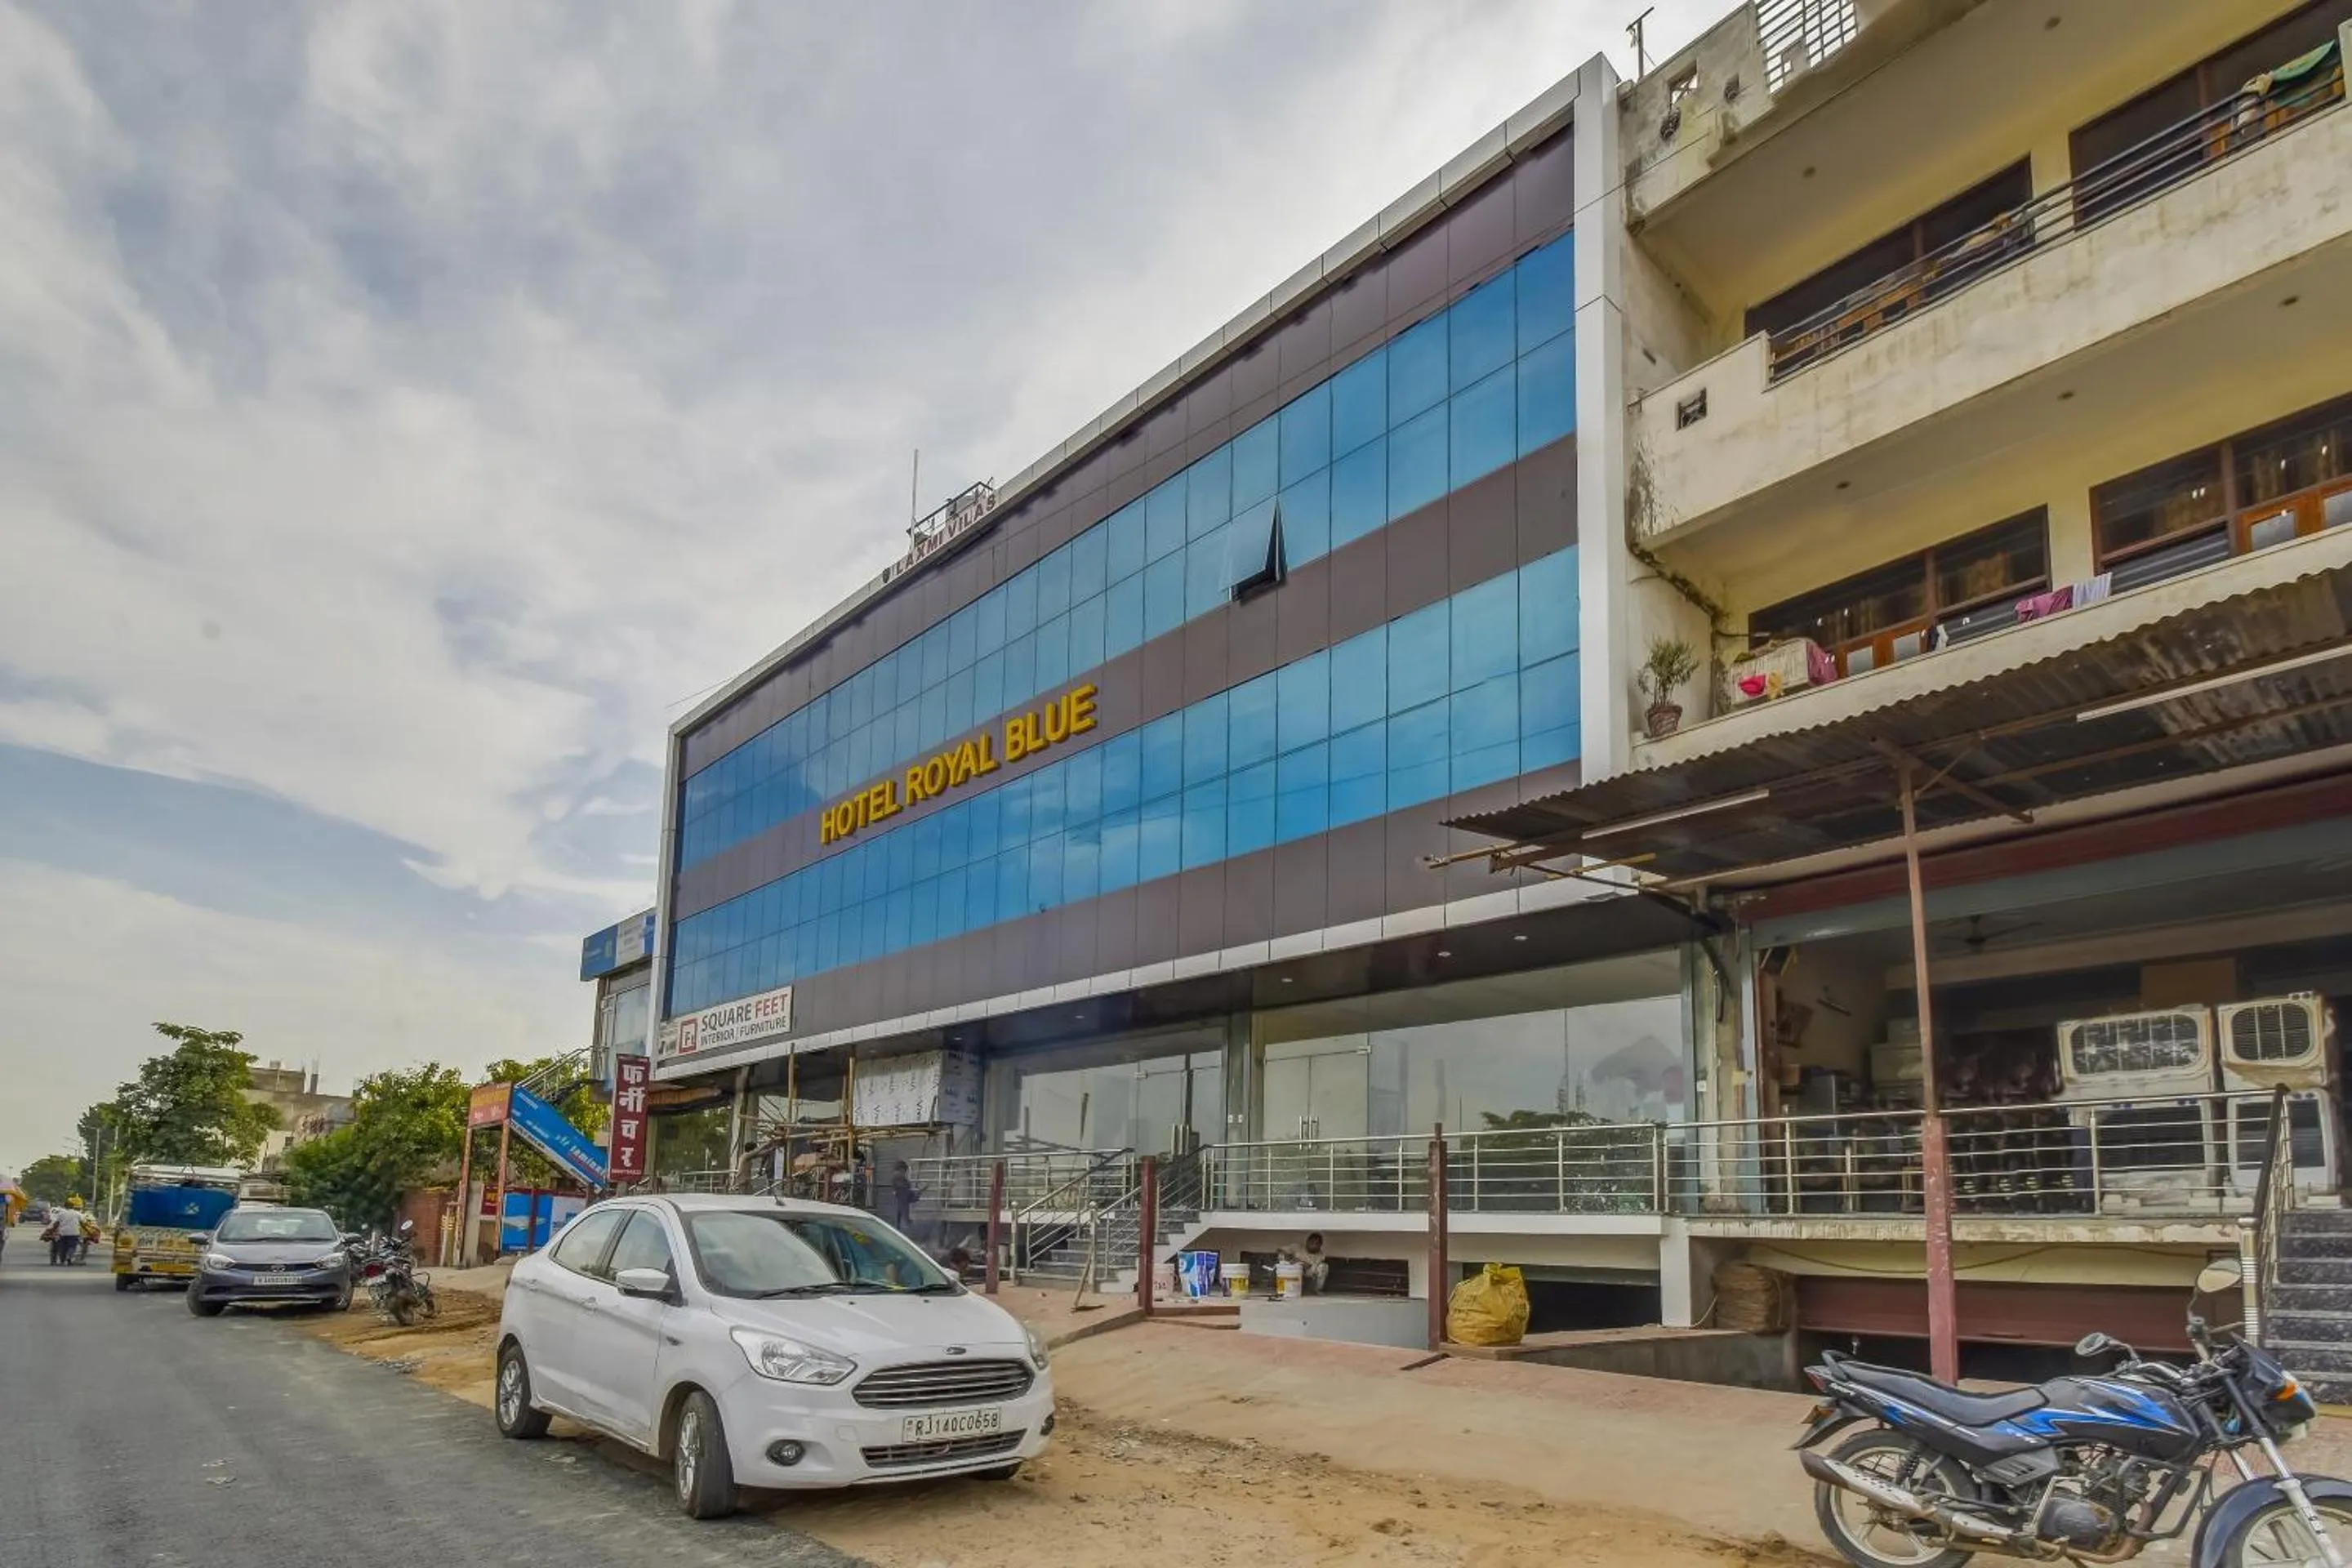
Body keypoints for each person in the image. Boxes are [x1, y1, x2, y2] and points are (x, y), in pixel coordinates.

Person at [888, 1160, 920, 1231]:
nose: (904, 1173)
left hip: (902, 1207)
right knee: (900, 1224)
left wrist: (915, 1195)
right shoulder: (897, 1180)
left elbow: (908, 1197)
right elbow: (903, 1194)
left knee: (900, 1224)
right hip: (899, 1207)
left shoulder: (904, 1181)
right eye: (904, 1170)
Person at [1301, 1232, 1330, 1296]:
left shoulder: (1320, 1255)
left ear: (1320, 1245)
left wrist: (1308, 1266)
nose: (1313, 1246)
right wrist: (1296, 1262)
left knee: (1323, 1267)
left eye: (1316, 1244)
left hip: (1308, 1275)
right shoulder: (1297, 1248)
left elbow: (1313, 1271)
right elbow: (1281, 1251)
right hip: (1293, 1271)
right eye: (1311, 1243)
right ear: (1307, 1242)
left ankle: (1317, 1289)